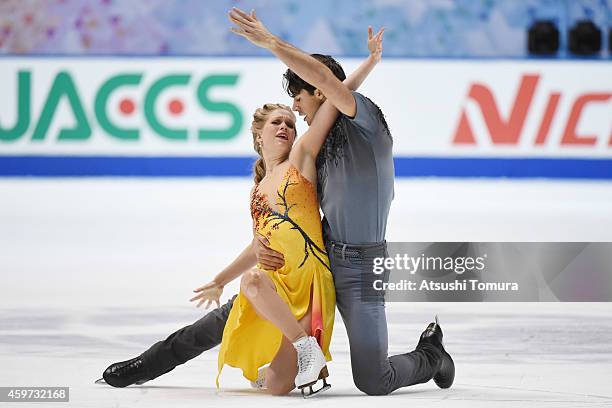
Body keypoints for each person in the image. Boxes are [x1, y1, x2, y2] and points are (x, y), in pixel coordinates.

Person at [98, 24, 396, 395]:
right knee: (235, 343)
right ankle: (147, 364)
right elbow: (258, 243)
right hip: (276, 280)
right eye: (279, 122)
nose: (291, 122)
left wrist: (367, 61)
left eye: (292, 117)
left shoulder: (303, 158)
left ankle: (306, 350)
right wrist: (220, 279)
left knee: (254, 300)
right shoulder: (259, 185)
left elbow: (334, 95)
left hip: (310, 277)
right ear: (259, 134)